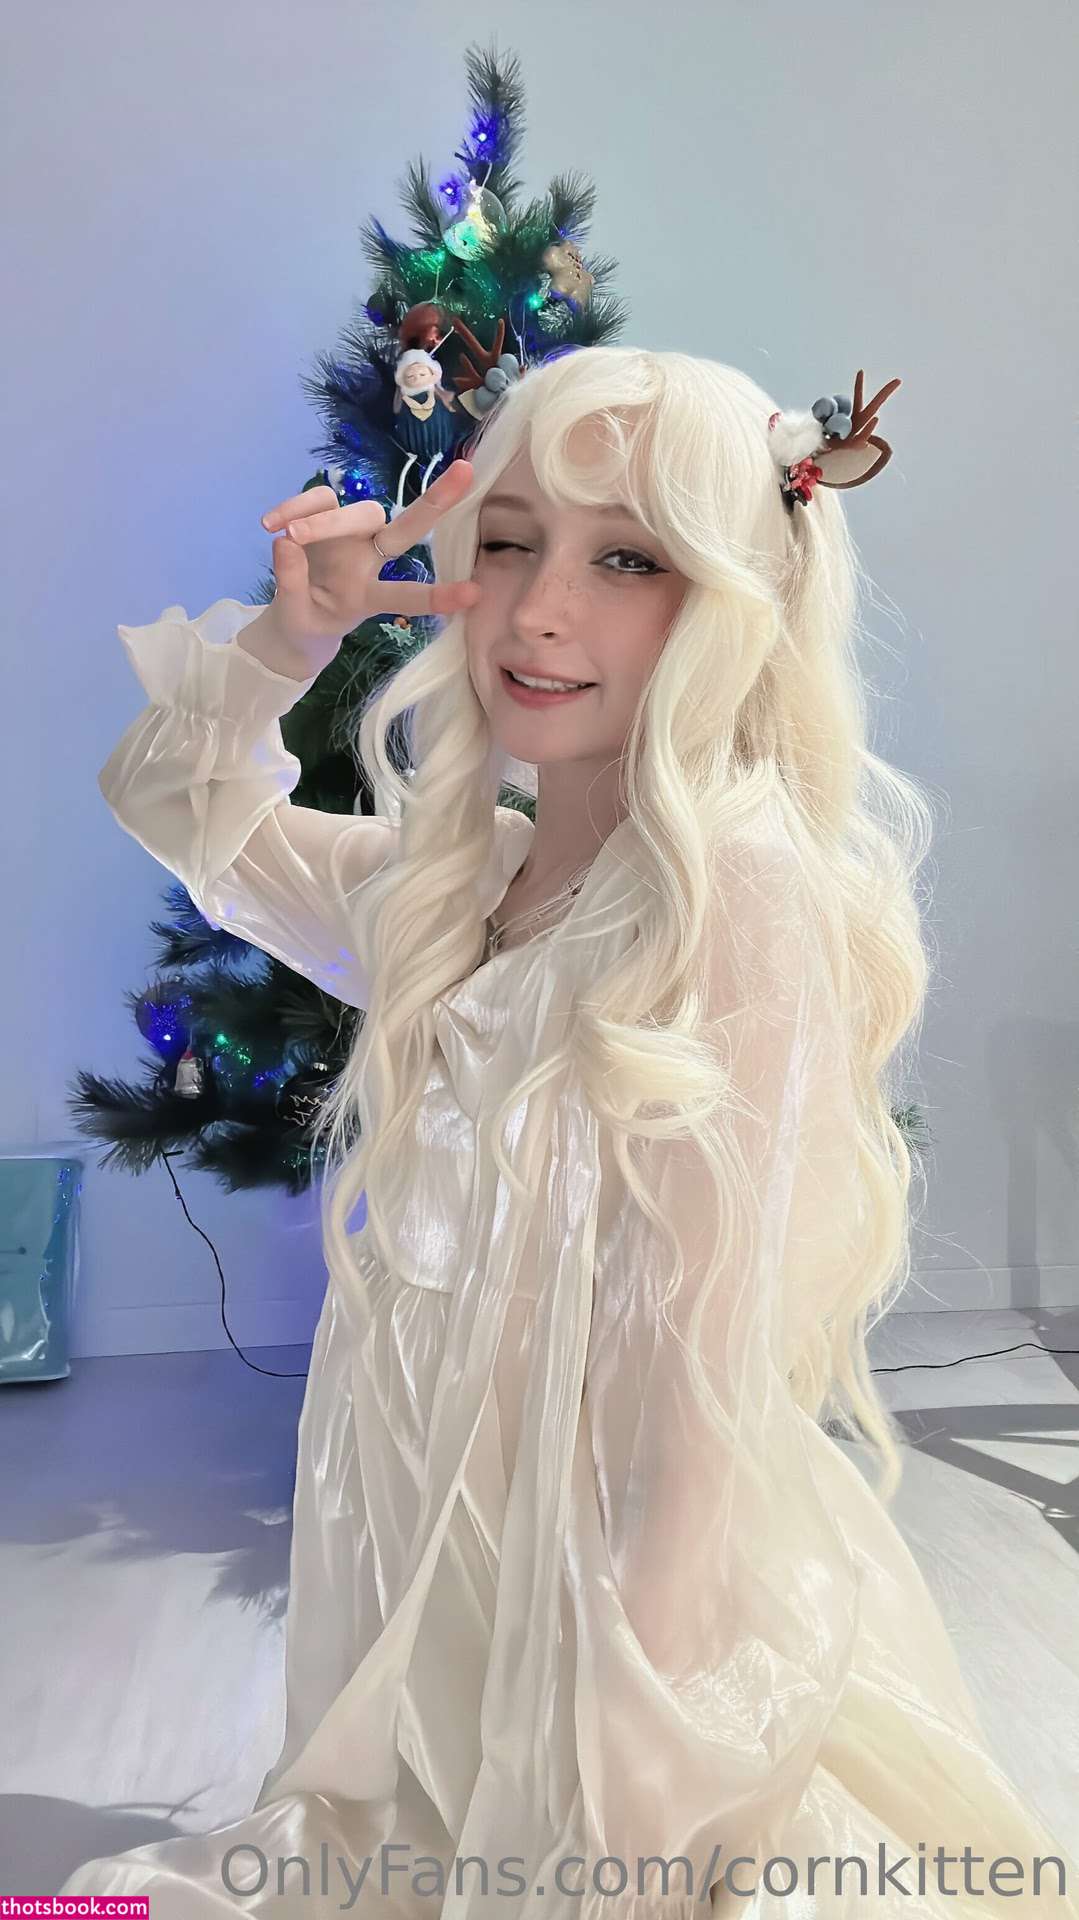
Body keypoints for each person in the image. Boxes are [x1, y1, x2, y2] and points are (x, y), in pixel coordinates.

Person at [60, 348, 1079, 1916]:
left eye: (629, 561)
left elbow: (702, 1371)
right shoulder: (462, 880)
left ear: (737, 595)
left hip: (612, 1588)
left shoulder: (736, 893)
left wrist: (631, 1748)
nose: (540, 610)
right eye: (513, 539)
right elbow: (187, 811)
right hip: (439, 1554)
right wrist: (289, 640)